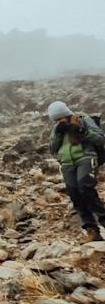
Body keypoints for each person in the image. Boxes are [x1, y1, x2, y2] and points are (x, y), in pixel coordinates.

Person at [48, 101, 105, 242]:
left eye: (61, 118)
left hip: (86, 157)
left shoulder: (82, 119)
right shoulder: (57, 128)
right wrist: (59, 134)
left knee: (85, 187)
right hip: (67, 163)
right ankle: (92, 230)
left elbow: (100, 139)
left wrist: (81, 130)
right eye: (56, 120)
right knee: (74, 194)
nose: (59, 121)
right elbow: (53, 149)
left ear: (67, 114)